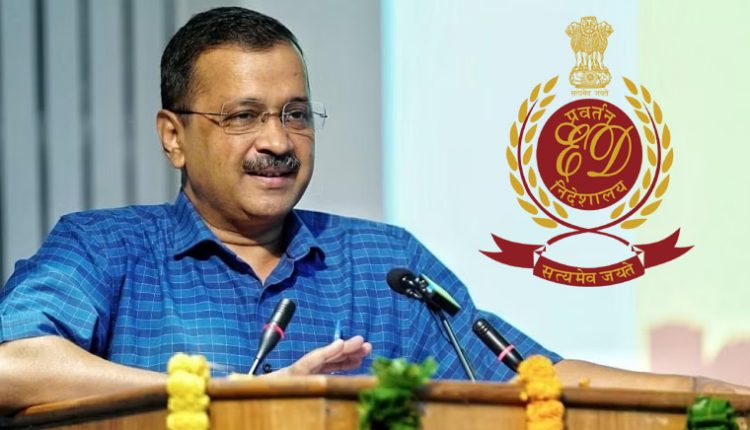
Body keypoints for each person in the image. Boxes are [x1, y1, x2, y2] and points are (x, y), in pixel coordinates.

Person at [0, 6, 744, 416]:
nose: (277, 142)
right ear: (174, 136)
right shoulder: (104, 250)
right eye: (243, 116)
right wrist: (234, 395)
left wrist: (716, 396)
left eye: (296, 114)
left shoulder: (386, 265)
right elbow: (12, 366)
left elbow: (535, 377)